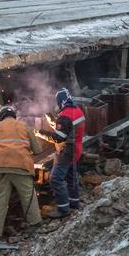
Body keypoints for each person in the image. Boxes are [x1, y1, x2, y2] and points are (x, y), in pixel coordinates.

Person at [0, 105, 43, 240]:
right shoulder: (24, 126)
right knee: (28, 196)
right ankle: (35, 224)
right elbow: (38, 150)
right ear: (14, 116)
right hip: (21, 166)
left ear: (1, 117)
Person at [36, 88, 86, 218]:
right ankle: (74, 202)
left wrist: (39, 132)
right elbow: (68, 129)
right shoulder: (77, 110)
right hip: (77, 149)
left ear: (60, 101)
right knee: (71, 177)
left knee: (55, 179)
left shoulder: (64, 116)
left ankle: (63, 209)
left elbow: (59, 137)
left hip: (66, 151)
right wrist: (54, 121)